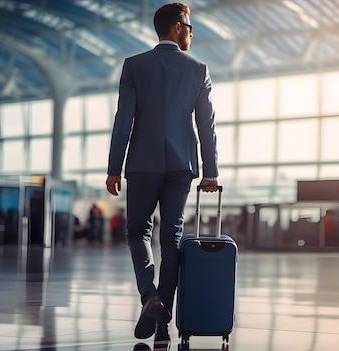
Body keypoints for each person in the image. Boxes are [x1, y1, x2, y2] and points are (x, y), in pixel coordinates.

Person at [105, 2, 219, 345]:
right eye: (189, 27)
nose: (191, 33)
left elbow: (123, 119)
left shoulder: (134, 66)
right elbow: (206, 125)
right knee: (171, 240)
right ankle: (162, 322)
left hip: (141, 162)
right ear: (177, 27)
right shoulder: (198, 69)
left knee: (137, 232)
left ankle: (149, 297)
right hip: (181, 165)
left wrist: (114, 168)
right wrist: (210, 171)